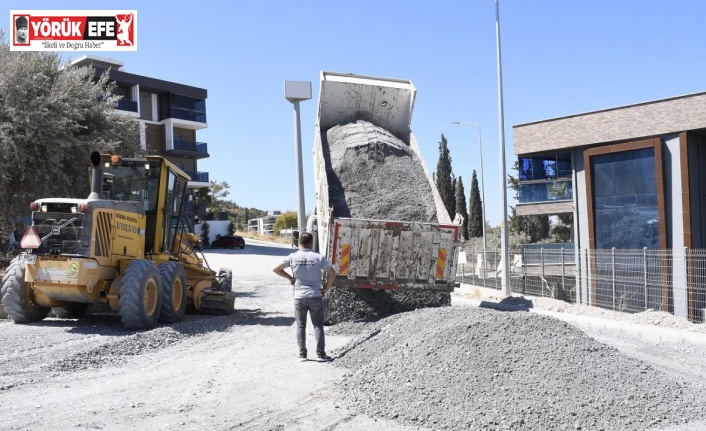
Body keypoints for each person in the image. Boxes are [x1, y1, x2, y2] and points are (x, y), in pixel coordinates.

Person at [273, 232, 335, 362]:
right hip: (315, 295)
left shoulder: (293, 257)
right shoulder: (318, 257)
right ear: (311, 243)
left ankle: (302, 355)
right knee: (318, 325)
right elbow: (331, 272)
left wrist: (290, 278)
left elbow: (276, 269)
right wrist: (326, 288)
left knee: (301, 326)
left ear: (299, 243)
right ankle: (321, 355)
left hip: (299, 296)